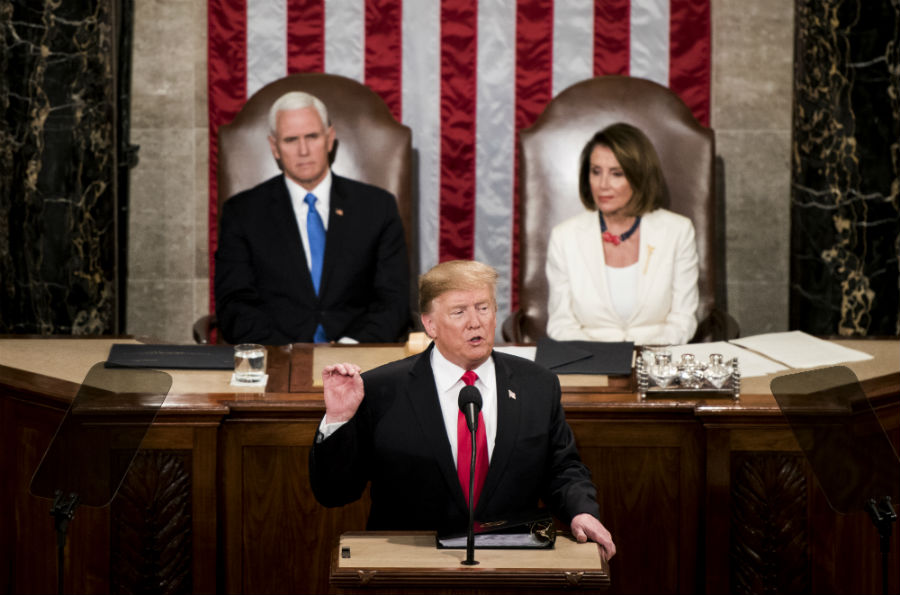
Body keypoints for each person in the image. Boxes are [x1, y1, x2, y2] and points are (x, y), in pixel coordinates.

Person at [309, 260, 616, 560]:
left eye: (483, 308)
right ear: (430, 324)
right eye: (459, 312)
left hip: (510, 561)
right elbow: (335, 493)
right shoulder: (381, 389)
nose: (475, 322)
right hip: (410, 564)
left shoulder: (537, 385)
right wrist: (338, 420)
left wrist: (582, 511)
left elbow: (562, 469)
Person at [214, 91, 410, 345]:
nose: (303, 150)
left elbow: (393, 299)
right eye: (291, 140)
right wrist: (285, 354)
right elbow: (235, 303)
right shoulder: (242, 213)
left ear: (329, 139)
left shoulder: (377, 207)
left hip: (360, 357)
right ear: (274, 147)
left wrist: (352, 348)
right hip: (276, 359)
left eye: (312, 137)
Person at [546, 122, 699, 345]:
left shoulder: (677, 231)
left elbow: (683, 321)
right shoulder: (564, 237)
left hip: (658, 361)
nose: (602, 185)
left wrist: (640, 354)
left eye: (616, 173)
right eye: (596, 171)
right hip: (591, 363)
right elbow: (561, 324)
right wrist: (607, 358)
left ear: (639, 177)